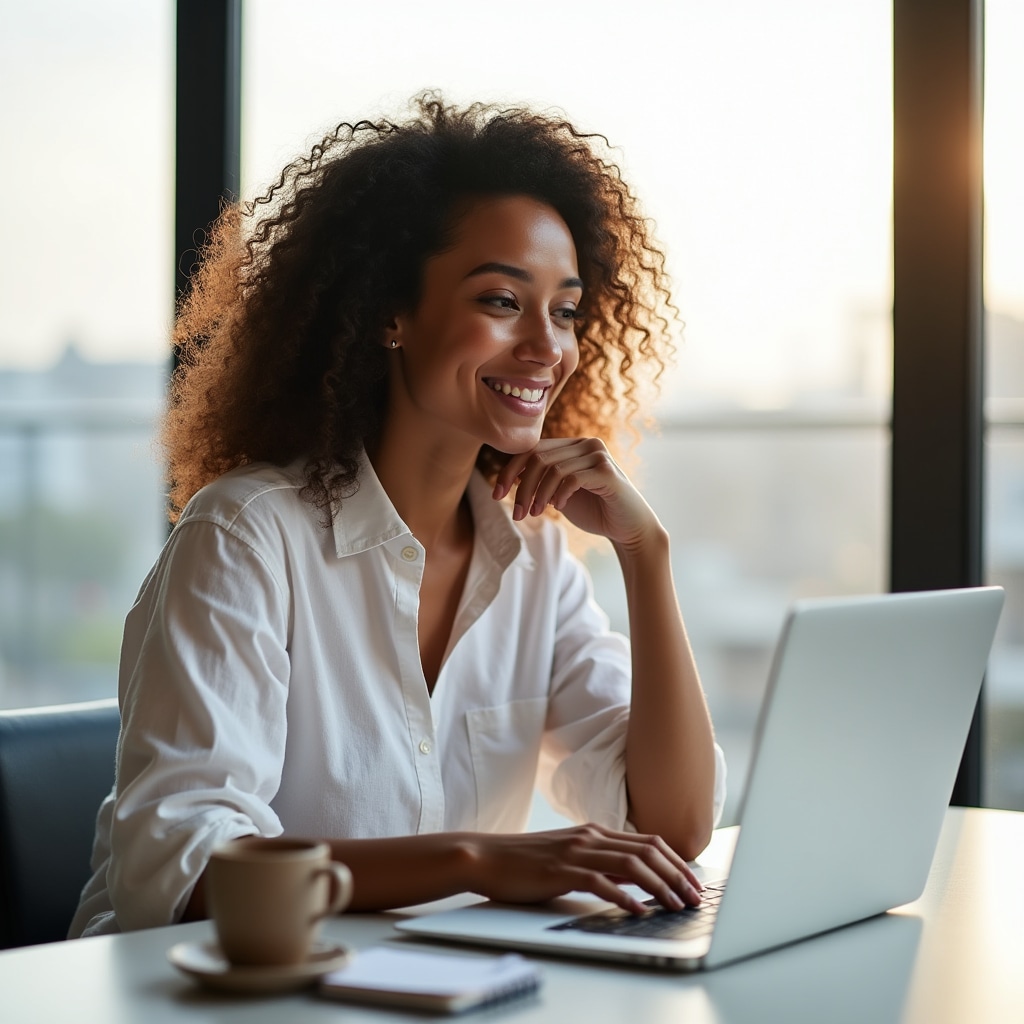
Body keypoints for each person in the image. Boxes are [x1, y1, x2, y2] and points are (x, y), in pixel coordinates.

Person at [70, 94, 726, 939]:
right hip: (198, 984)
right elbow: (185, 868)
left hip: (417, 982)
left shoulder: (533, 561)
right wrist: (474, 860)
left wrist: (646, 555)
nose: (547, 346)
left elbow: (673, 827)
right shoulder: (245, 536)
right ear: (390, 313)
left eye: (565, 310)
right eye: (502, 300)